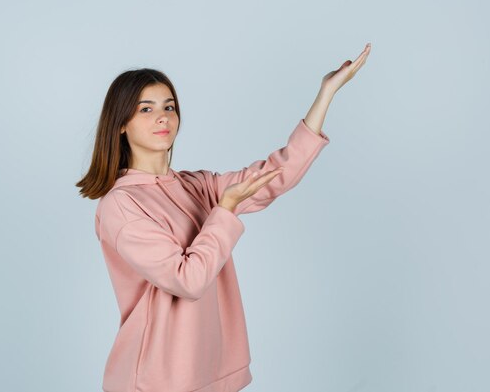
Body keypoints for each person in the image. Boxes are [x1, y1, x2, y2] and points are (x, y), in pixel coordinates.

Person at [76, 43, 371, 392]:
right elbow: (187, 279)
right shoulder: (121, 204)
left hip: (210, 372)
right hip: (155, 380)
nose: (163, 117)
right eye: (146, 109)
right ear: (121, 124)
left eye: (170, 107)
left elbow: (276, 174)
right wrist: (225, 210)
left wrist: (327, 93)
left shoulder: (196, 186)